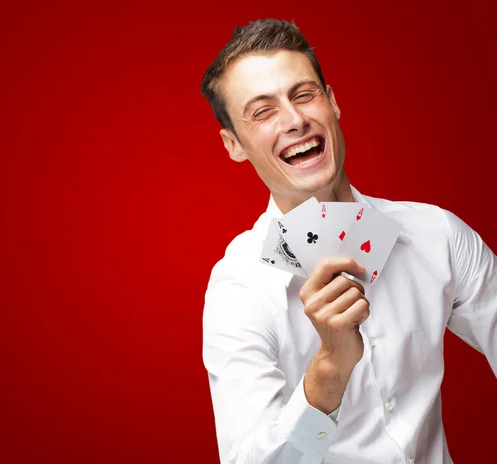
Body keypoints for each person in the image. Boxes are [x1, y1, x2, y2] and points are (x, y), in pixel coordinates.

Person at [199, 18, 496, 464]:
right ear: (233, 145)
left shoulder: (438, 236)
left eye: (304, 94)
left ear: (332, 102)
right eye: (262, 111)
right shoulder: (238, 291)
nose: (295, 119)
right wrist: (328, 372)